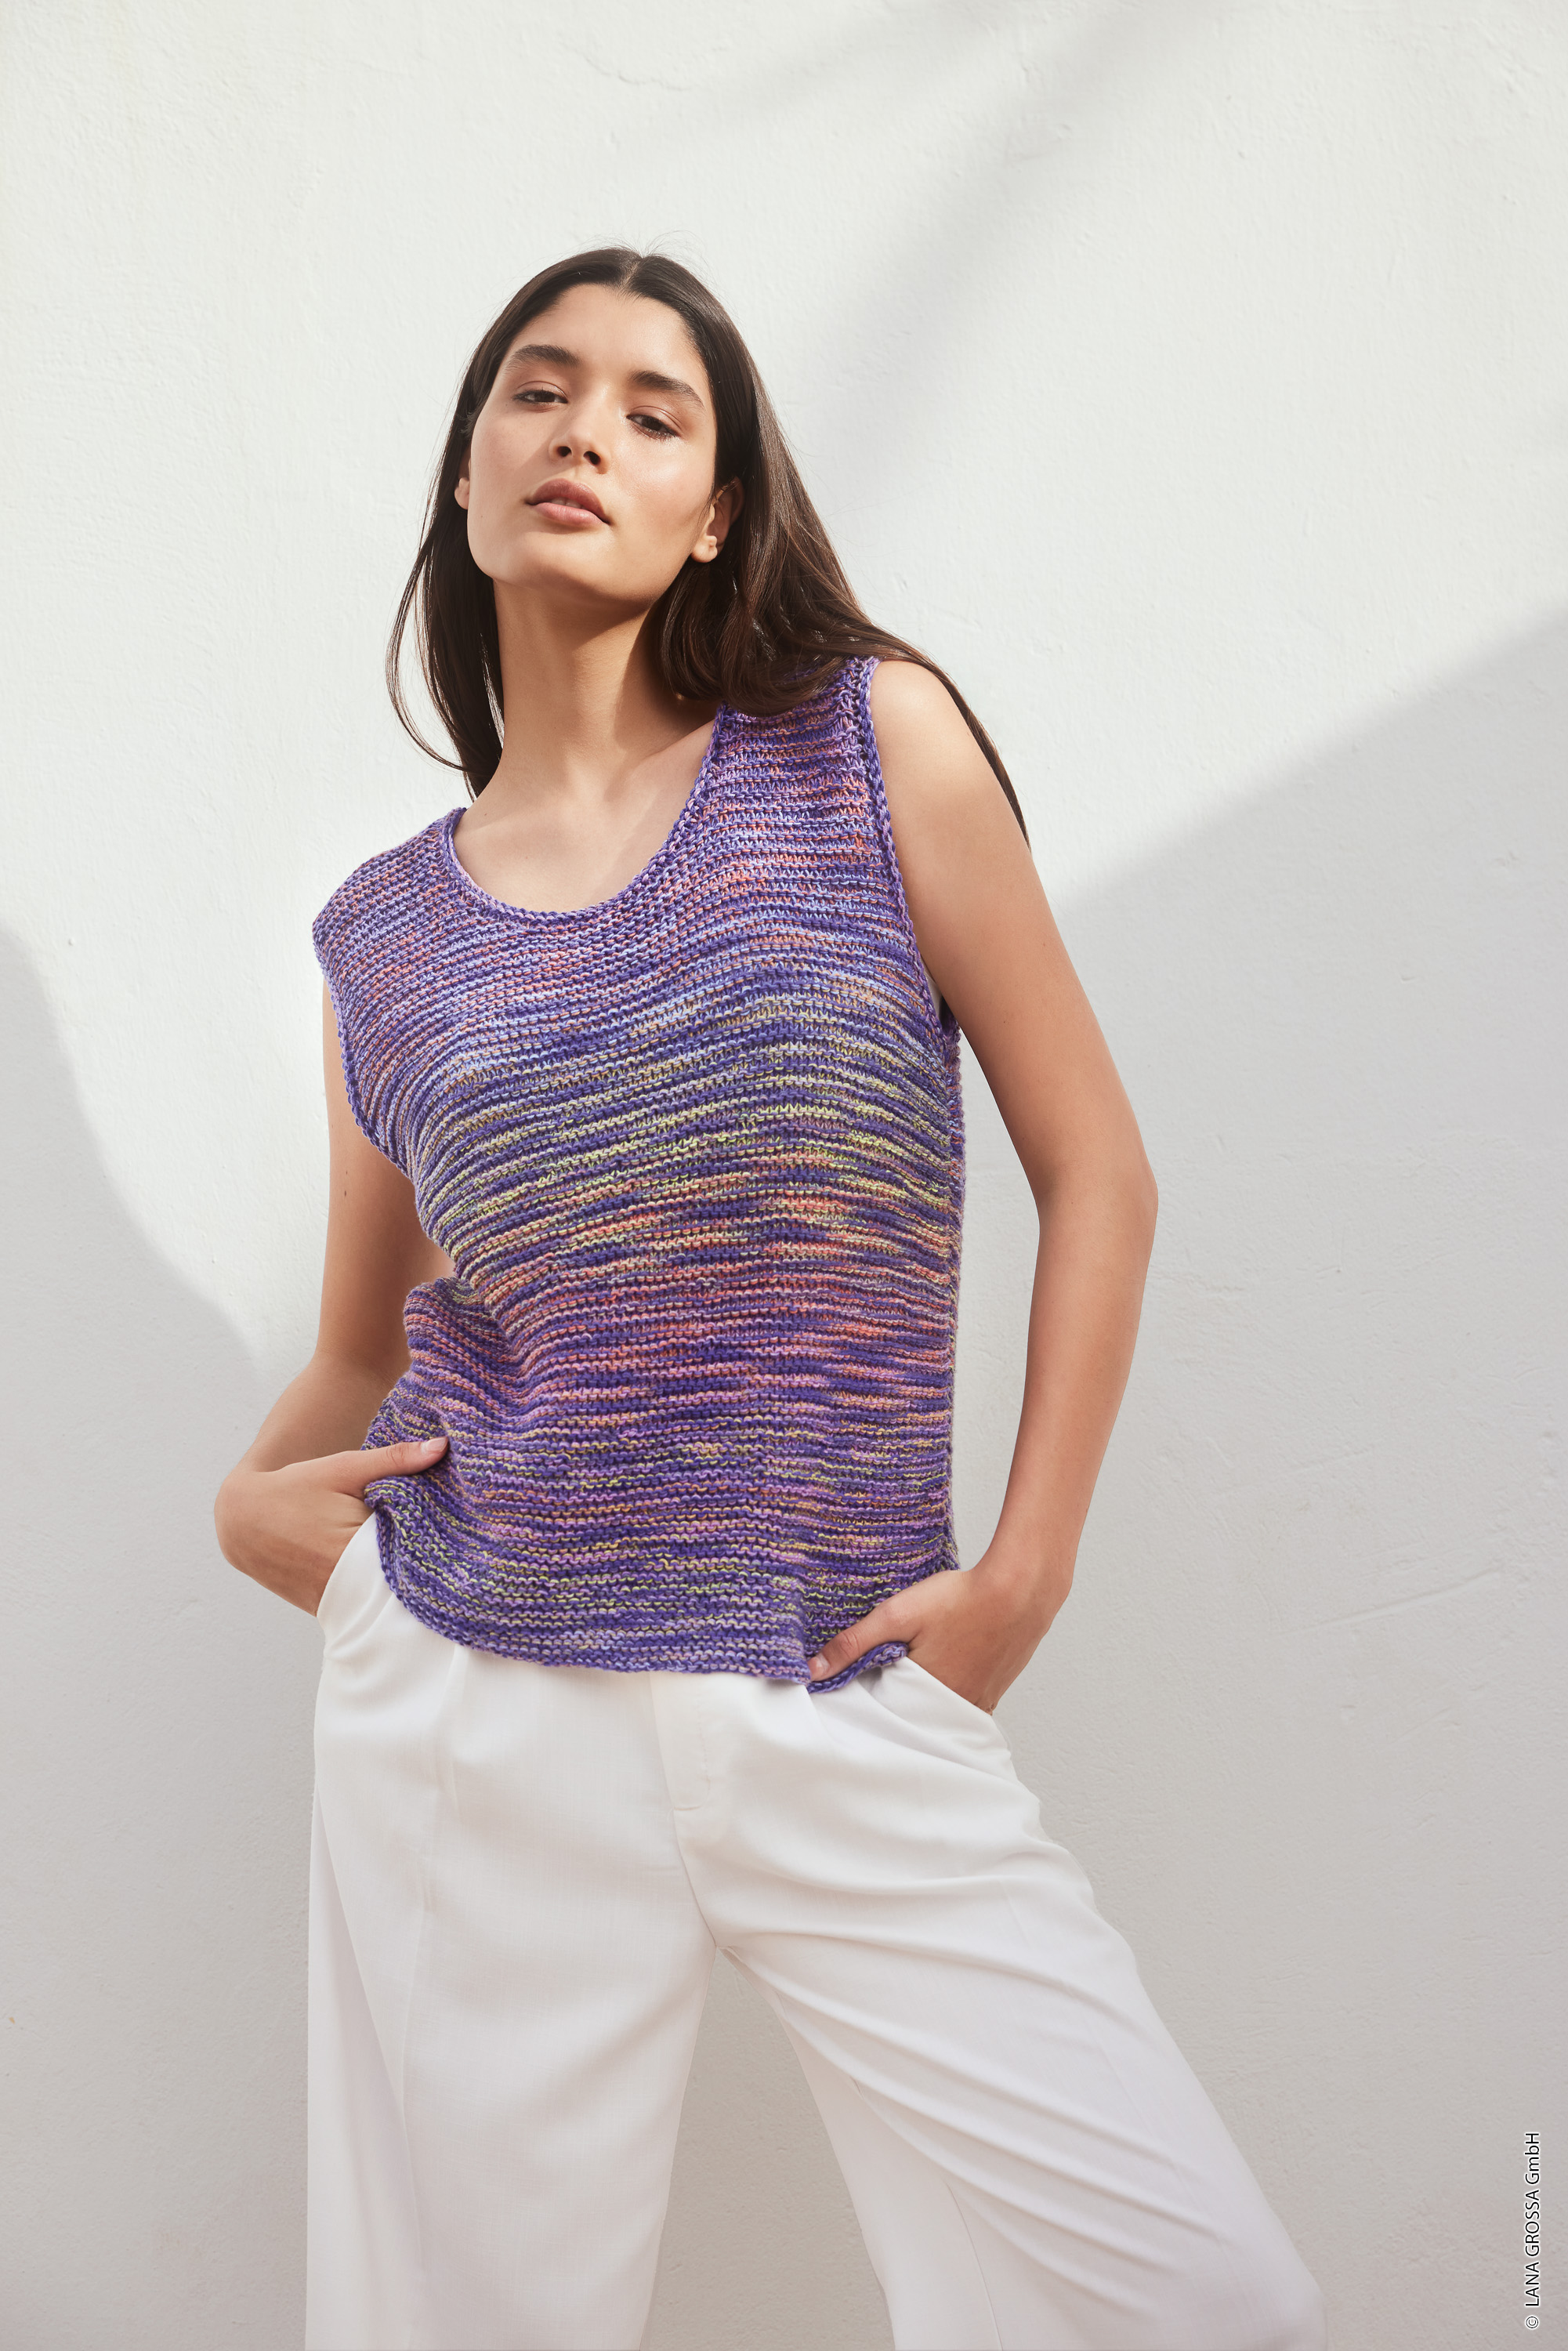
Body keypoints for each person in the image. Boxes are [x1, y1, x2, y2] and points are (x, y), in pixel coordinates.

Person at [215, 246, 1327, 2351]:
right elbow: (365, 1340)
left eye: (655, 412)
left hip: (834, 1676)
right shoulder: (384, 936)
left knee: (1201, 2298)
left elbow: (1096, 1168)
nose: (586, 433)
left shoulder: (863, 747)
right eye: (541, 390)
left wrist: (1025, 1576)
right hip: (476, 1693)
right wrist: (257, 1514)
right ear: (467, 470)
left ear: (717, 509)